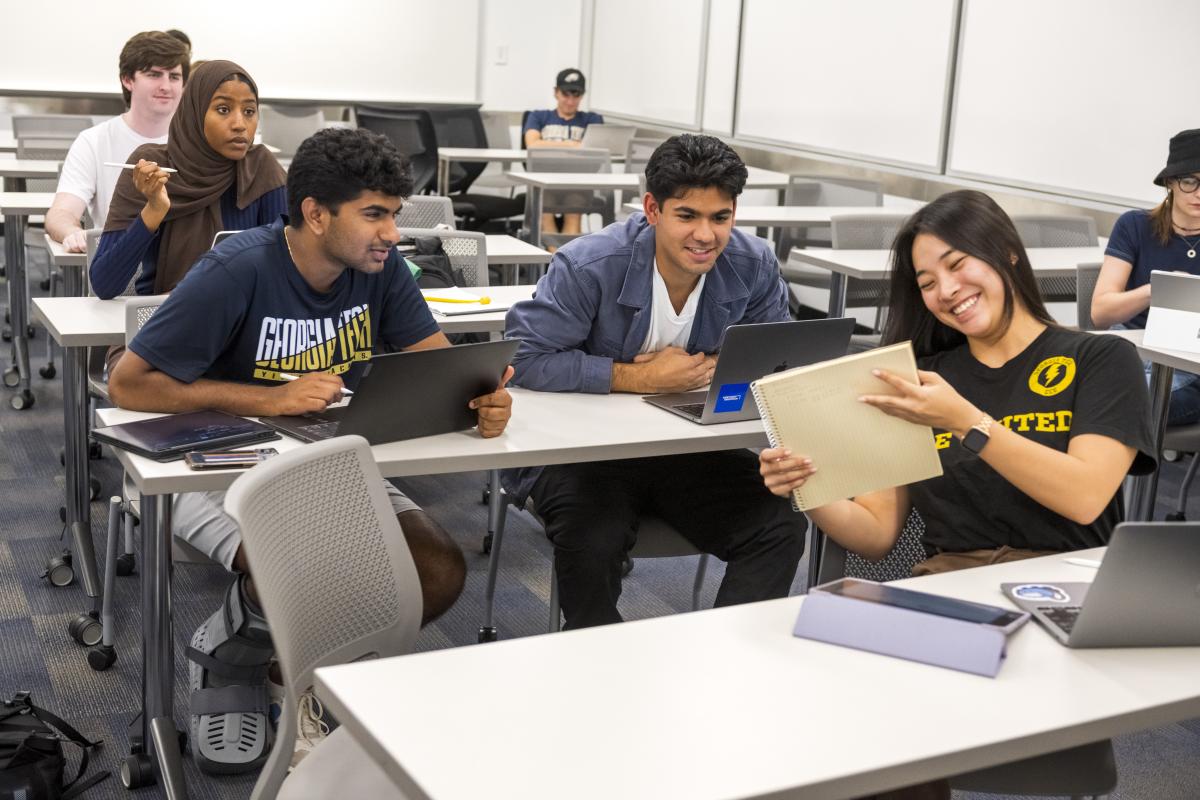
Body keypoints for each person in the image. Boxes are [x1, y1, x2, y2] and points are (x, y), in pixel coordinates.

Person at [108, 127, 514, 774]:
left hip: (324, 456)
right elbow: (129, 384)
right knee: (311, 570)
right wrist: (267, 400)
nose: (390, 233)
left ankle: (283, 668)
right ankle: (231, 662)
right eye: (374, 215)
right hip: (210, 459)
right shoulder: (236, 270)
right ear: (316, 213)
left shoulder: (377, 271)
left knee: (436, 571)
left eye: (395, 215)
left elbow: (439, 366)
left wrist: (481, 396)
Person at [760, 189, 1156, 580]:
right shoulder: (918, 383)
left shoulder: (1100, 359)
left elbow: (1084, 498)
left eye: (958, 263)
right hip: (952, 586)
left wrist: (966, 422)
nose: (946, 291)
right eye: (927, 283)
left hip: (1068, 584)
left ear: (1007, 252)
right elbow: (875, 535)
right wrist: (807, 487)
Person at [503, 134, 807, 630]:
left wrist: (715, 367)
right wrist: (638, 377)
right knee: (593, 538)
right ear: (652, 209)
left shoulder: (752, 265)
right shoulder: (589, 265)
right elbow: (524, 359)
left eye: (721, 218)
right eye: (687, 216)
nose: (705, 235)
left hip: (686, 450)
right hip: (586, 452)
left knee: (779, 523)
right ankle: (597, 660)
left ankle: (728, 656)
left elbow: (774, 361)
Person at [89, 59, 287, 300]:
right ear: (195, 111)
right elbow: (104, 283)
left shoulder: (261, 169)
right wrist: (154, 210)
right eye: (223, 110)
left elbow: (285, 272)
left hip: (239, 325)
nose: (240, 125)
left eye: (249, 111)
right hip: (161, 322)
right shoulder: (152, 167)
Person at [1091, 128, 1200, 425]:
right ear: (1170, 182)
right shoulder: (1135, 226)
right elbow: (1100, 314)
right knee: (1098, 395)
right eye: (1190, 181)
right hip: (1132, 352)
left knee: (1120, 405)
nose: (1199, 193)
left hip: (1191, 367)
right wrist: (1157, 291)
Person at [44, 31, 190, 252]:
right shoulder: (94, 141)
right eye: (154, 75)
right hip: (121, 270)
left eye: (174, 77)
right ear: (127, 80)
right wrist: (73, 233)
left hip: (186, 270)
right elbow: (61, 213)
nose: (166, 86)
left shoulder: (196, 142)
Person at [523, 67, 605, 239]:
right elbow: (532, 144)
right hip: (544, 183)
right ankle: (553, 259)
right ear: (556, 93)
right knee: (544, 210)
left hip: (578, 184)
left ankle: (567, 262)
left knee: (574, 210)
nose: (570, 101)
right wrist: (571, 145)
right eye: (565, 94)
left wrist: (549, 145)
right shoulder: (538, 116)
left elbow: (595, 150)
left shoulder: (592, 120)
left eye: (576, 95)